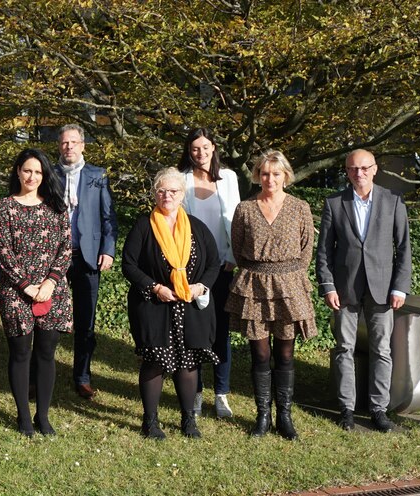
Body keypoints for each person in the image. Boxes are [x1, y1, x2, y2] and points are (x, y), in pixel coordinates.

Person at [316, 149, 411, 433]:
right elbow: (324, 251)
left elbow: (404, 247)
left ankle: (378, 409)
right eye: (353, 169)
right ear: (347, 171)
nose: (359, 173)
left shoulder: (393, 201)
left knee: (381, 349)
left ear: (375, 169)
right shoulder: (334, 203)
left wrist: (400, 287)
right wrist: (328, 285)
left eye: (364, 168)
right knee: (344, 348)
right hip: (345, 289)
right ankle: (346, 408)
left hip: (383, 290)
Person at [225, 150, 317, 441]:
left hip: (289, 287)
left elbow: (306, 251)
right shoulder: (245, 209)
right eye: (265, 173)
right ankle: (263, 415)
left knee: (286, 354)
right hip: (255, 285)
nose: (270, 179)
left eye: (276, 173)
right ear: (257, 176)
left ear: (285, 176)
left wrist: (288, 275)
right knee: (260, 353)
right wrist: (260, 270)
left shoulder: (300, 208)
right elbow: (238, 249)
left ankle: (284, 416)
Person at [122, 168, 220, 440]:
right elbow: (128, 264)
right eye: (162, 191)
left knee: (188, 363)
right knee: (155, 361)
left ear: (182, 195)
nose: (167, 196)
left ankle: (188, 420)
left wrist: (201, 285)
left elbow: (213, 263)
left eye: (173, 191)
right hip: (154, 304)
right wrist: (154, 287)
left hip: (189, 305)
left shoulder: (197, 228)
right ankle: (150, 422)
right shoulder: (144, 225)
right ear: (155, 194)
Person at [0, 148, 73, 437]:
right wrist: (26, 285)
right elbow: (3, 251)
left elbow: (66, 249)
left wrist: (50, 282)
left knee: (46, 354)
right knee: (20, 354)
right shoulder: (6, 207)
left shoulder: (56, 207)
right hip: (17, 292)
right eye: (27, 170)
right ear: (18, 171)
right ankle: (23, 416)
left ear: (45, 175)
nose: (32, 176)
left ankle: (43, 415)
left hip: (53, 291)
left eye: (38, 172)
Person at [177, 127, 241, 418]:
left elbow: (236, 219)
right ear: (188, 151)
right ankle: (197, 391)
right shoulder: (182, 181)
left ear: (214, 148)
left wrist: (231, 256)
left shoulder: (228, 178)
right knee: (196, 331)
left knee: (221, 333)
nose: (200, 153)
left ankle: (221, 393)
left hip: (224, 265)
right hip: (193, 268)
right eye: (194, 149)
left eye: (205, 148)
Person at [54, 124, 116, 399]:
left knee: (85, 321)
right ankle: (40, 373)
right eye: (65, 142)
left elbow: (108, 216)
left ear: (82, 145)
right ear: (59, 146)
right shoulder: (49, 174)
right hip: (54, 256)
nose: (69, 147)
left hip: (87, 255)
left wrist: (109, 249)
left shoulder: (97, 175)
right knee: (46, 317)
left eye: (74, 142)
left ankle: (82, 375)